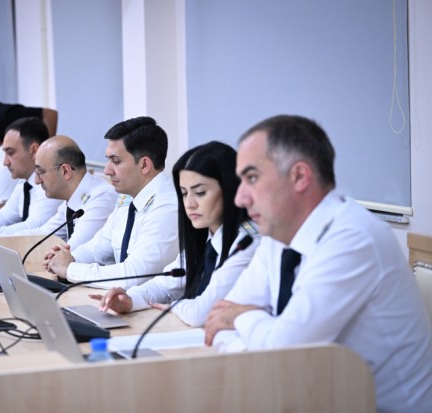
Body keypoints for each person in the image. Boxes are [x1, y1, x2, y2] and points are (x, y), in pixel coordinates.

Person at [203, 115, 432, 412]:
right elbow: (218, 322)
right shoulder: (277, 235)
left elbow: (283, 354)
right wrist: (250, 331)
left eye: (252, 178)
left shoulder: (353, 239)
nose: (239, 198)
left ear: (299, 176)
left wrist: (240, 319)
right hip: (312, 396)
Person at [89, 141, 258, 327]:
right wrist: (129, 300)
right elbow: (164, 286)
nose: (190, 203)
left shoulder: (247, 243)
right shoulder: (205, 239)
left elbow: (201, 313)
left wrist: (174, 306)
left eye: (200, 192)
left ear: (230, 190)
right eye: (184, 193)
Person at [45, 116, 179, 289]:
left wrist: (70, 269)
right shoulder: (127, 200)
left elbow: (134, 275)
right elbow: (96, 249)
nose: (107, 170)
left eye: (116, 161)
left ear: (144, 165)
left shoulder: (167, 207)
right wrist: (67, 258)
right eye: (108, 160)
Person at [1, 135, 118, 248]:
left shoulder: (100, 200)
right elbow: (42, 235)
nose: (37, 181)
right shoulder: (72, 200)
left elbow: (72, 252)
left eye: (40, 172)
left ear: (65, 171)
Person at [0, 117, 61, 236]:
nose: (5, 162)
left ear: (34, 151)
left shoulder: (51, 182)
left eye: (11, 153)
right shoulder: (24, 183)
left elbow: (35, 226)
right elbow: (5, 214)